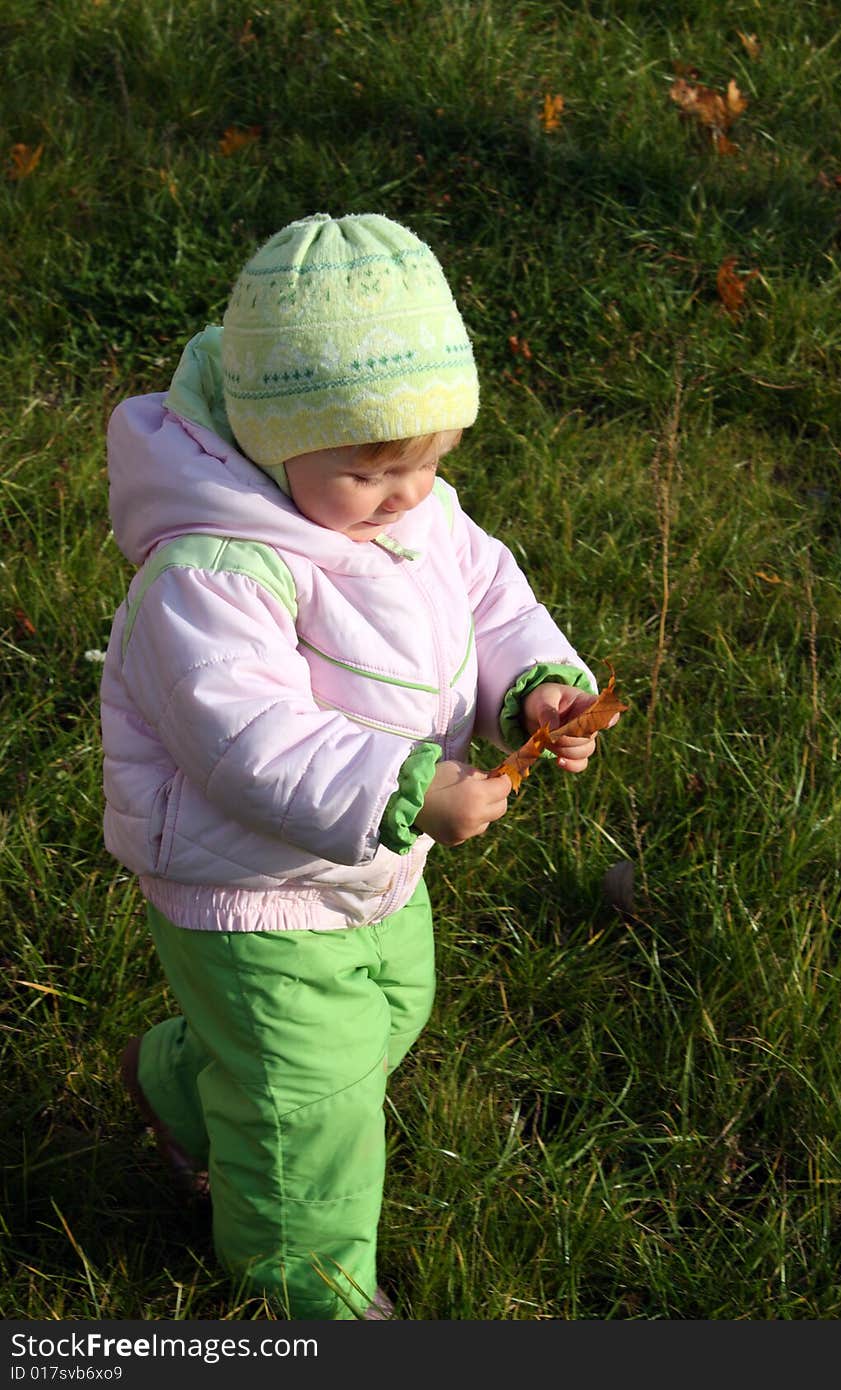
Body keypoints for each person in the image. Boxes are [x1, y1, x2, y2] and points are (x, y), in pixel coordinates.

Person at [101, 211, 612, 1320]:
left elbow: (487, 593)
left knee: (392, 1012)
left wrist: (532, 688)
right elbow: (247, 735)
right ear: (270, 441)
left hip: (367, 868)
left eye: (430, 460)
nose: (408, 493)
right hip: (247, 886)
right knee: (312, 1101)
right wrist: (408, 785)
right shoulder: (212, 569)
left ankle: (189, 1080)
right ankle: (308, 1292)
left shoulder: (410, 505)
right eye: (375, 470)